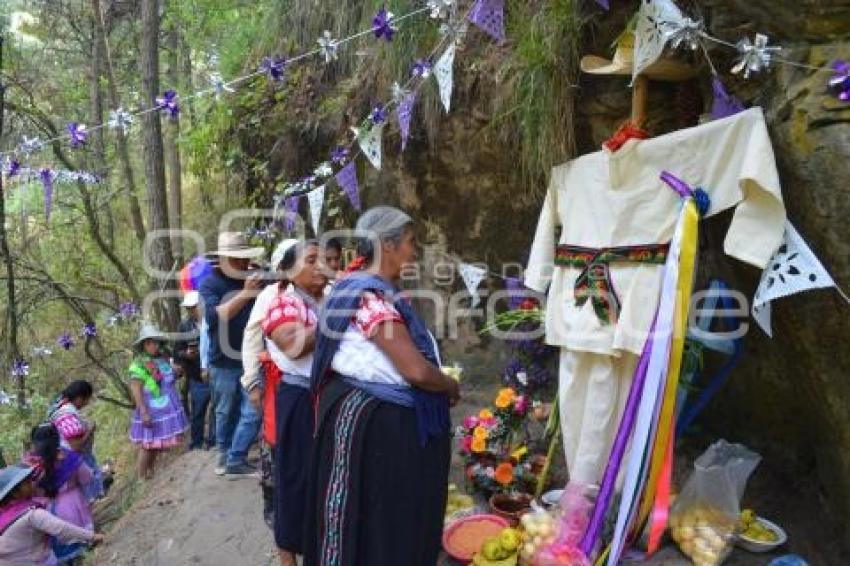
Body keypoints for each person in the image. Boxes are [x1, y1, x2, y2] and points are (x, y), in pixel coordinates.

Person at [303, 207, 460, 566]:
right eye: (410, 243)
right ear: (387, 246)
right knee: (382, 517)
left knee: (378, 516)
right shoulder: (369, 298)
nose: (414, 252)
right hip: (371, 425)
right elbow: (415, 370)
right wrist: (449, 385)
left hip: (366, 415)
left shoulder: (359, 290)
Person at [262, 239, 326, 566]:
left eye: (324, 260)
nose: (321, 266)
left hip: (319, 398)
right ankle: (287, 557)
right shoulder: (283, 304)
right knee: (295, 477)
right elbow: (294, 345)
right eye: (311, 260)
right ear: (288, 270)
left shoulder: (317, 302)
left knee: (319, 478)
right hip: (299, 400)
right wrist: (334, 320)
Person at [199, 232, 265, 477]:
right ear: (224, 259)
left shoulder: (253, 278)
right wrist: (246, 294)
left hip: (252, 359)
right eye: (237, 259)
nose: (243, 264)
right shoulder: (209, 285)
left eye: (245, 259)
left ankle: (236, 457)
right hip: (223, 361)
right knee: (225, 411)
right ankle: (225, 455)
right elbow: (217, 316)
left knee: (252, 410)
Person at [241, 238, 298, 517]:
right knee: (277, 444)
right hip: (279, 384)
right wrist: (252, 382)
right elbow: (252, 337)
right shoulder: (270, 296)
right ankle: (278, 512)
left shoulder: (324, 291)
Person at [0, 464, 103, 565]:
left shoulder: (6, 516)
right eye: (26, 482)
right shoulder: (32, 515)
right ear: (14, 493)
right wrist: (93, 536)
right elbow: (62, 529)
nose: (32, 484)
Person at [23, 424, 94, 564]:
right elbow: (87, 477)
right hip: (73, 506)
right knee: (81, 546)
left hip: (46, 513)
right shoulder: (69, 457)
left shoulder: (29, 465)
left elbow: (27, 493)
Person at [127, 324, 189, 480]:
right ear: (144, 345)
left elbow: (170, 377)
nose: (154, 345)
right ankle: (141, 477)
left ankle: (150, 473)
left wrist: (177, 371)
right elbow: (136, 389)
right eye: (150, 343)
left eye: (155, 342)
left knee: (155, 445)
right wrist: (143, 412)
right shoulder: (138, 365)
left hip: (165, 406)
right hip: (150, 409)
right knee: (147, 445)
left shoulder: (163, 359)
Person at [46, 380, 103, 501]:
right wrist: (90, 430)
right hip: (75, 461)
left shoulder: (58, 408)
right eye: (86, 399)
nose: (86, 403)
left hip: (66, 461)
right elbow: (75, 446)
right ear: (79, 397)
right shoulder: (67, 415)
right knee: (86, 496)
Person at [174, 291, 214, 450]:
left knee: (217, 410)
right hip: (196, 376)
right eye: (188, 308)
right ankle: (196, 443)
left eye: (193, 307)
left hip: (214, 372)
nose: (190, 311)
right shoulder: (184, 326)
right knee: (198, 411)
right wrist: (187, 354)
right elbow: (176, 351)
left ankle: (213, 441)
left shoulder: (212, 320)